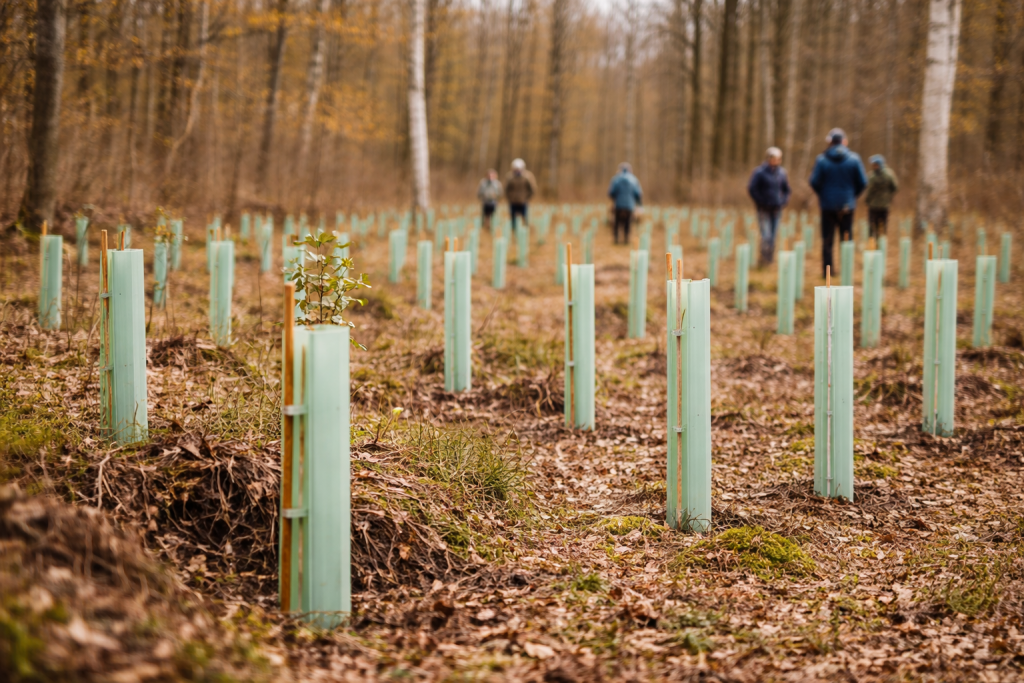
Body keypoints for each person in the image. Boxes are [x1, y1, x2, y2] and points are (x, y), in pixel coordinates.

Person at [809, 128, 868, 278]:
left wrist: (823, 194)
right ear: (843, 141)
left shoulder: (822, 159)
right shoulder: (854, 159)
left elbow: (814, 182)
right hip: (847, 206)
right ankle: (846, 272)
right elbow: (863, 182)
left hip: (828, 206)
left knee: (827, 240)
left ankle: (827, 272)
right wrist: (852, 195)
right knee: (846, 240)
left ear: (830, 142)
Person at [747, 147, 791, 267]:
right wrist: (761, 201)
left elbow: (787, 190)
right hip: (763, 209)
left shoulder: (782, 173)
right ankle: (764, 258)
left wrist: (783, 201)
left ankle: (770, 259)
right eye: (773, 158)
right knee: (765, 234)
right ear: (768, 158)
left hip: (776, 209)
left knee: (773, 234)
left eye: (778, 159)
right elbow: (752, 189)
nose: (776, 161)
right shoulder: (759, 172)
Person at [607, 162, 643, 245]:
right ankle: (626, 239)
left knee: (617, 222)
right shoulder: (634, 180)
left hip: (618, 205)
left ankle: (616, 239)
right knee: (628, 222)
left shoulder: (616, 179)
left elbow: (611, 192)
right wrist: (639, 204)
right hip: (629, 206)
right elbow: (638, 193)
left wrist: (615, 198)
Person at [864, 155, 899, 239]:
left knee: (876, 226)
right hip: (880, 205)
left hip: (877, 205)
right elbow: (895, 187)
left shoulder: (872, 176)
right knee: (877, 226)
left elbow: (870, 190)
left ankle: (877, 244)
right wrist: (888, 196)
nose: (874, 166)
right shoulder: (889, 174)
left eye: (875, 164)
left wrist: (867, 200)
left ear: (879, 164)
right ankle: (876, 244)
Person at [504, 159, 536, 232]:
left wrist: (527, 198)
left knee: (524, 216)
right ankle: (514, 230)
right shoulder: (510, 177)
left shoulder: (528, 177)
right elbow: (506, 189)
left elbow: (532, 189)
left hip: (523, 201)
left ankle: (525, 230)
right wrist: (510, 198)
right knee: (513, 217)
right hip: (513, 201)